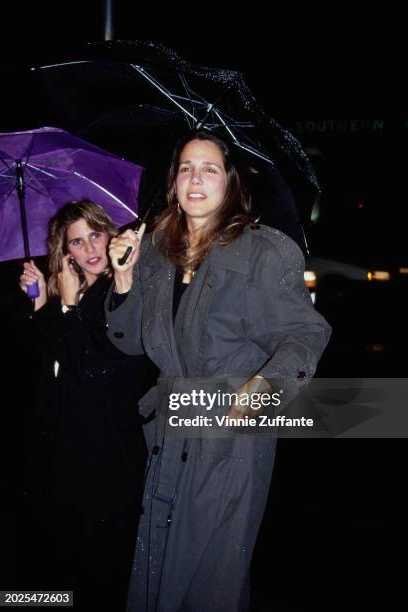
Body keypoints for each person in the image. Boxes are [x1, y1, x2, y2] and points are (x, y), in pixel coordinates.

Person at [106, 131, 332, 611]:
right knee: (157, 574)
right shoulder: (155, 253)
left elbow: (305, 334)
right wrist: (123, 282)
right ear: (173, 181)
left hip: (230, 438)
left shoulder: (263, 252)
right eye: (186, 167)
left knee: (210, 583)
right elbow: (127, 342)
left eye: (209, 168)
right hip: (169, 435)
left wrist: (265, 389)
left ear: (230, 183)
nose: (196, 178)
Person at [18, 200, 156, 611]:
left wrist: (67, 308)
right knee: (64, 566)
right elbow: (50, 377)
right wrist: (43, 303)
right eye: (76, 242)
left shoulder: (124, 291)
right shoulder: (80, 295)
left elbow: (90, 368)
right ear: (66, 253)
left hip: (109, 455)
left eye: (96, 234)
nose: (90, 249)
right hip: (69, 453)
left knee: (102, 571)